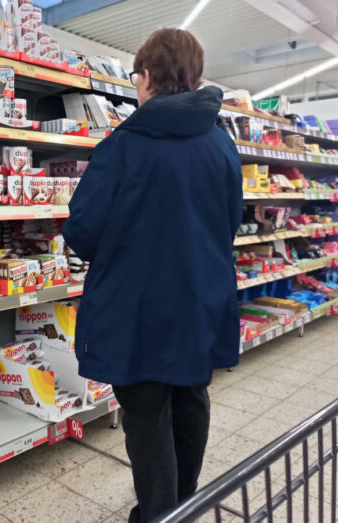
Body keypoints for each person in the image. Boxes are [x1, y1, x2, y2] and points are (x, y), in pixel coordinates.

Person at [61, 28, 243, 523]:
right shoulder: (221, 144)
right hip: (200, 299)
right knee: (190, 400)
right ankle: (185, 501)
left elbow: (83, 229)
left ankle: (160, 514)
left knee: (146, 415)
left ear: (144, 78)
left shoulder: (122, 145)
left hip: (136, 306)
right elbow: (230, 222)